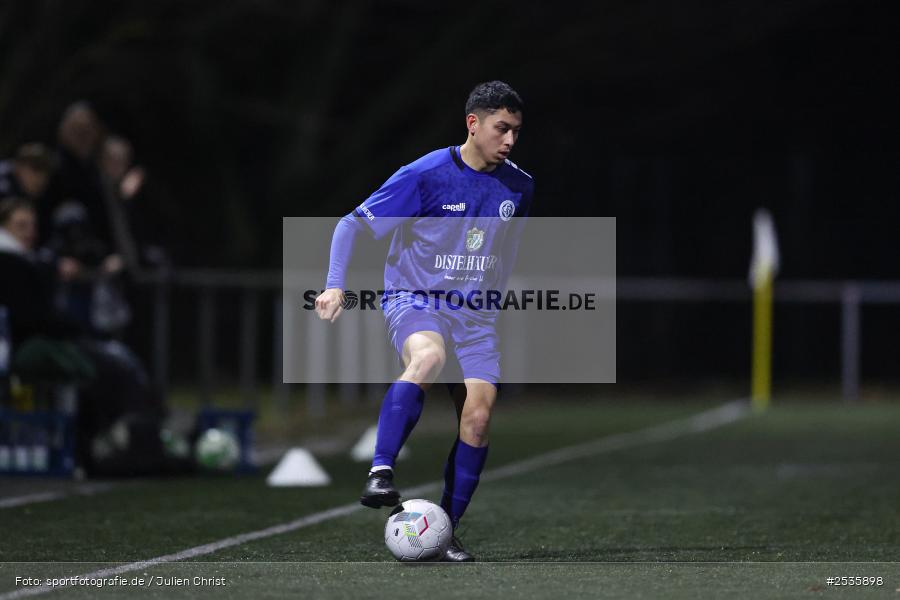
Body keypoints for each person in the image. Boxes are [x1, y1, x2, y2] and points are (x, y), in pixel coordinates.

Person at [315, 81, 533, 561]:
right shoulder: (426, 174)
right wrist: (335, 284)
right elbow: (351, 223)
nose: (510, 140)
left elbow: (504, 253)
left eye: (517, 131)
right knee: (429, 356)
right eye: (502, 129)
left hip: (474, 317)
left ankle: (447, 530)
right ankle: (380, 469)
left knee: (477, 419)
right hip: (416, 300)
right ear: (472, 124)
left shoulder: (520, 186)